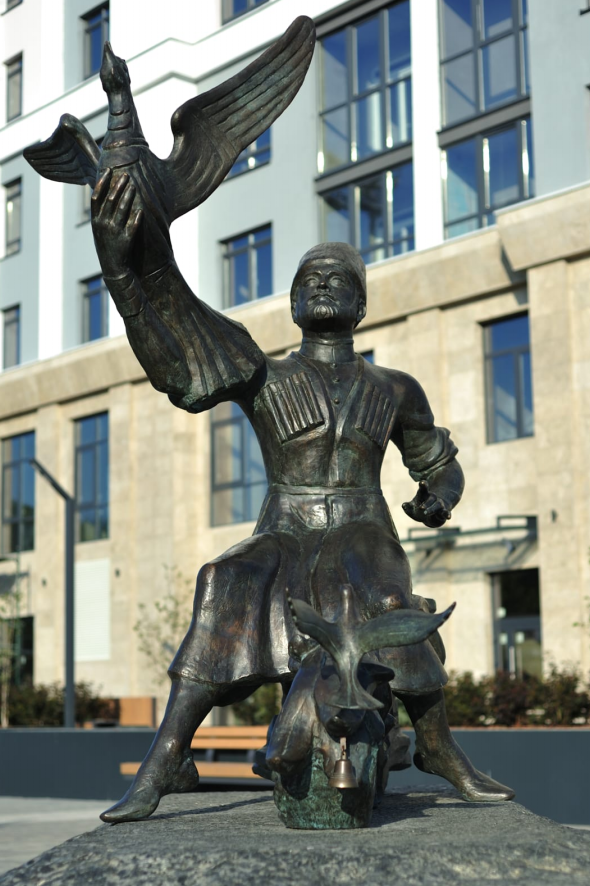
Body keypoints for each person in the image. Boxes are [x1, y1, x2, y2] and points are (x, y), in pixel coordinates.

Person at [91, 169, 514, 823]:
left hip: (362, 524)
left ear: (361, 306)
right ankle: (167, 757)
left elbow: (438, 463)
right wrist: (122, 274)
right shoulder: (262, 374)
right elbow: (175, 362)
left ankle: (436, 745)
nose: (320, 284)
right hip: (284, 528)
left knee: (379, 588)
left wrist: (439, 494)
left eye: (336, 277)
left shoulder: (396, 388)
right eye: (308, 278)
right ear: (291, 305)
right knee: (225, 578)